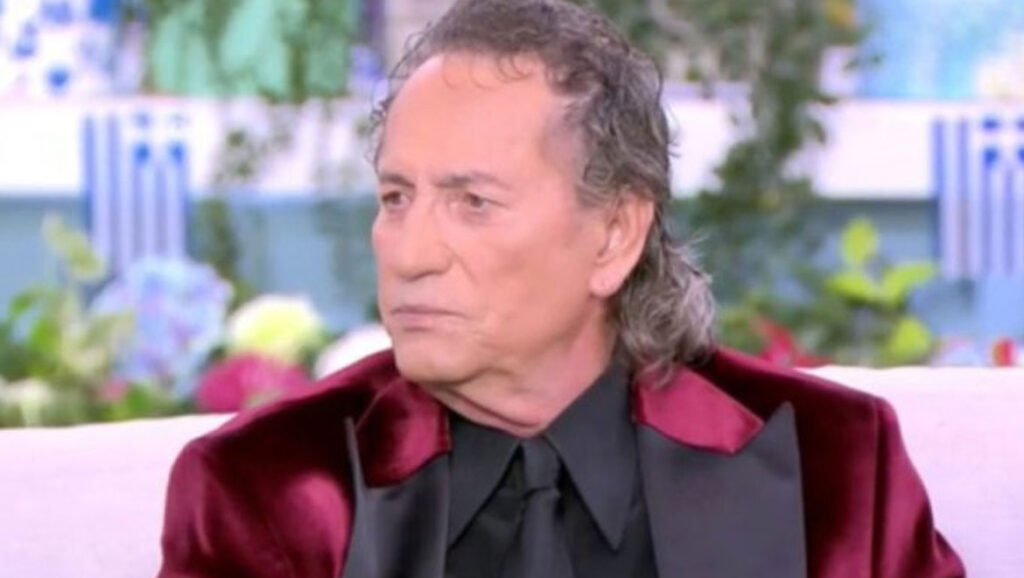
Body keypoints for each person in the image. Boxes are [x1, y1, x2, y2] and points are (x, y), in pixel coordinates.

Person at [157, 1, 965, 576]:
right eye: (396, 197)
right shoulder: (266, 485)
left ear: (614, 236)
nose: (410, 252)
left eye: (472, 202)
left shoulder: (834, 462)